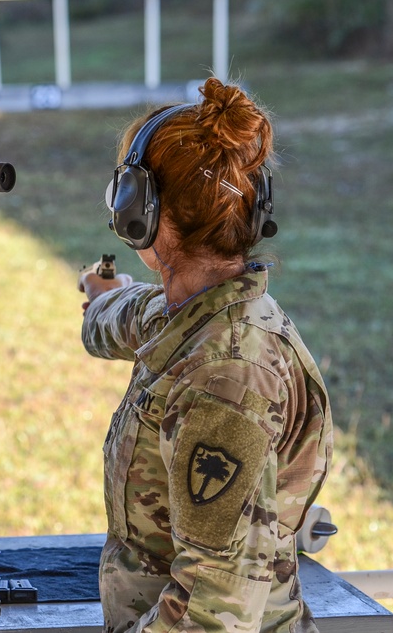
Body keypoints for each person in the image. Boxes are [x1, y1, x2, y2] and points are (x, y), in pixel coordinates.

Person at [77, 76, 333, 632]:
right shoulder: (199, 314)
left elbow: (213, 608)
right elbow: (127, 319)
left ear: (137, 211)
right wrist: (102, 297)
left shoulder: (226, 379)